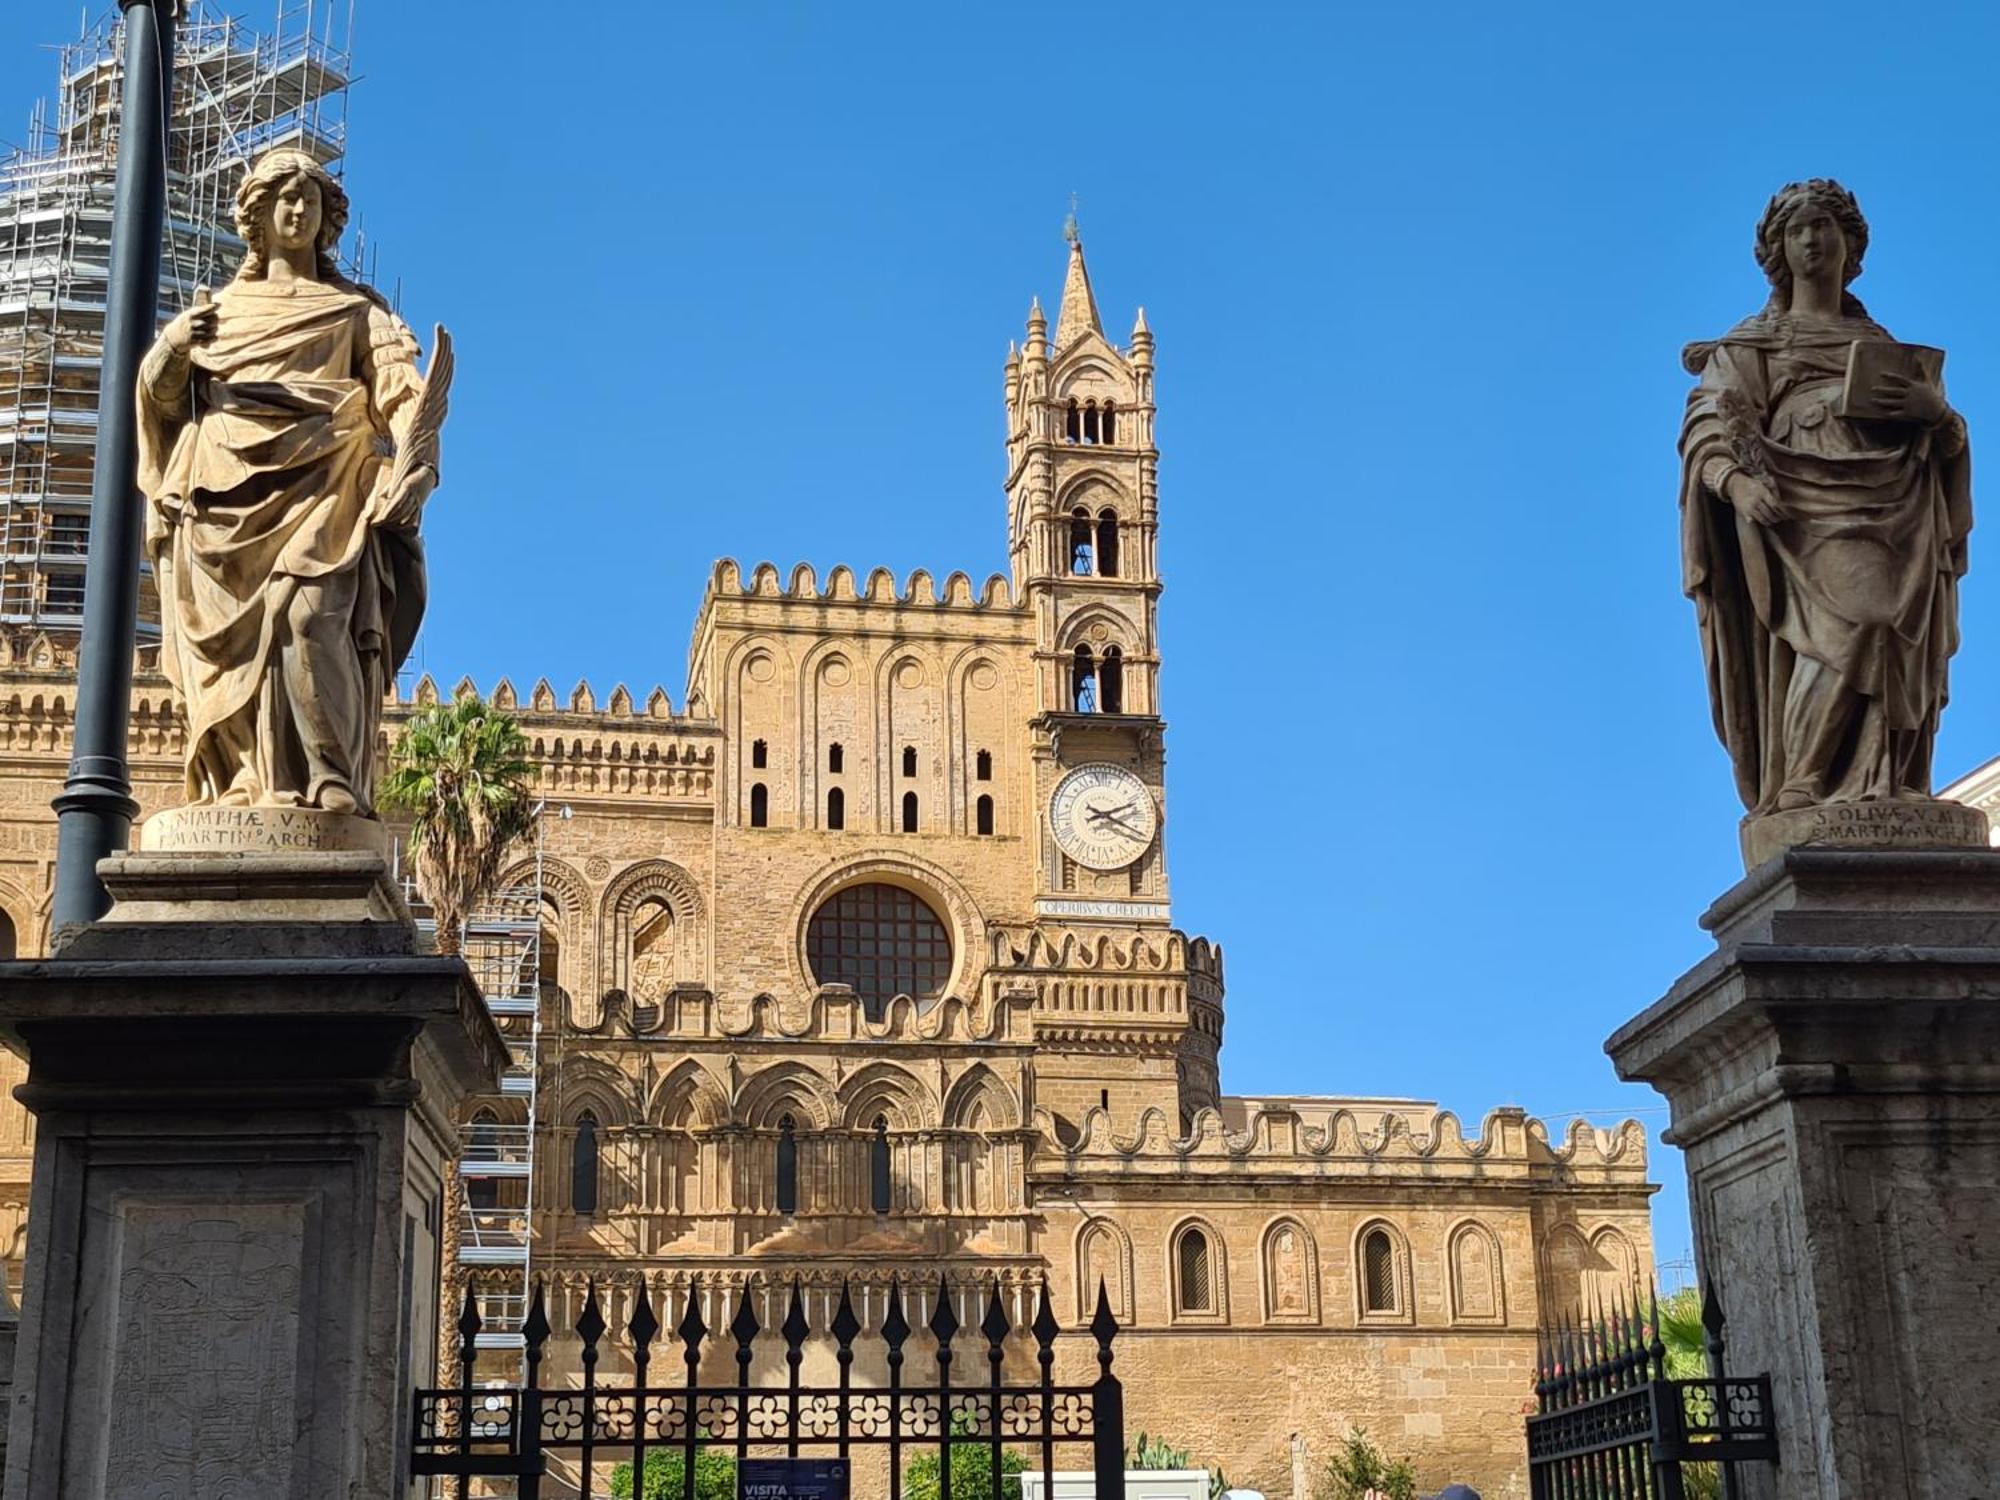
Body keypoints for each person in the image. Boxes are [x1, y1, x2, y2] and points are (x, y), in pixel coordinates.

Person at [137, 146, 438, 815]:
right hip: (220, 493)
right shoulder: (216, 311)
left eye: (310, 199)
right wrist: (172, 348)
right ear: (258, 213)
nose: (297, 210)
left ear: (328, 218)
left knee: (311, 618)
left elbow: (398, 389)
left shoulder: (355, 311)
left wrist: (419, 458)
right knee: (235, 652)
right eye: (284, 198)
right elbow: (160, 401)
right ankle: (242, 779)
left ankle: (328, 775)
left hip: (326, 483)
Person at [1679, 179, 1969, 817]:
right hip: (1803, 510)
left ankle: (1891, 784)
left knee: (1895, 636)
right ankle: (1805, 782)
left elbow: (1942, 440)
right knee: (1853, 624)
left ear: (1850, 243)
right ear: (1779, 248)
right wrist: (1738, 482)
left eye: (1826, 227)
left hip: (1898, 506)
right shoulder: (1750, 345)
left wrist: (1937, 415)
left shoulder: (1886, 348)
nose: (1814, 240)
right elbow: (1707, 426)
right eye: (1799, 229)